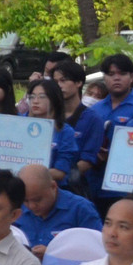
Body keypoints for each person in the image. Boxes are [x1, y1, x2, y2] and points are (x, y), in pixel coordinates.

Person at [89, 53, 133, 206]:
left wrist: (112, 155)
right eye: (111, 74)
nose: (116, 78)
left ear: (131, 77)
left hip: (125, 188)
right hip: (94, 185)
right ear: (104, 78)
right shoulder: (95, 109)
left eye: (122, 74)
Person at [14, 163, 101, 259]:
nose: (31, 206)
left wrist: (54, 254)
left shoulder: (81, 209)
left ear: (53, 187)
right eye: (25, 200)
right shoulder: (15, 207)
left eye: (37, 200)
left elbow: (97, 250)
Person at [51, 60, 102, 192]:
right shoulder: (47, 115)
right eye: (55, 82)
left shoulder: (92, 118)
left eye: (63, 80)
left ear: (78, 83)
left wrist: (61, 174)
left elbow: (87, 160)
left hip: (72, 187)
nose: (59, 85)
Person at [23, 79, 78, 182]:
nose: (35, 101)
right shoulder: (19, 123)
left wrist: (27, 173)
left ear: (54, 99)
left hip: (49, 185)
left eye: (42, 97)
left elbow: (60, 172)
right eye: (32, 97)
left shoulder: (65, 131)